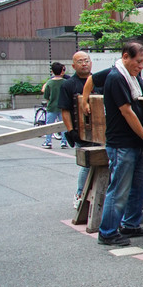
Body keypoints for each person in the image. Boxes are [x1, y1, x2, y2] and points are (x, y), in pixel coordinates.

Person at [97, 42, 143, 247]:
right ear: (125, 57)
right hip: (121, 142)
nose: (141, 66)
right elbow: (127, 111)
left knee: (138, 186)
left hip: (132, 142)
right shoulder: (116, 77)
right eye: (138, 61)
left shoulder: (132, 78)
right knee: (120, 188)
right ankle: (107, 231)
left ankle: (130, 223)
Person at [58, 51, 97, 205]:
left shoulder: (98, 81)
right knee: (87, 165)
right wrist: (71, 131)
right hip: (81, 132)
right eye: (80, 61)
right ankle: (80, 195)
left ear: (91, 63)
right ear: (73, 66)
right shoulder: (68, 85)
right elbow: (65, 110)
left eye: (86, 60)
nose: (84, 64)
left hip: (101, 131)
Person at [41, 62, 66, 148]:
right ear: (62, 71)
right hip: (63, 107)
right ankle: (64, 142)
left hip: (52, 107)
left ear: (52, 71)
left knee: (49, 125)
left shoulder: (49, 83)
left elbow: (46, 96)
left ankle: (48, 142)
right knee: (63, 125)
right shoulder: (65, 82)